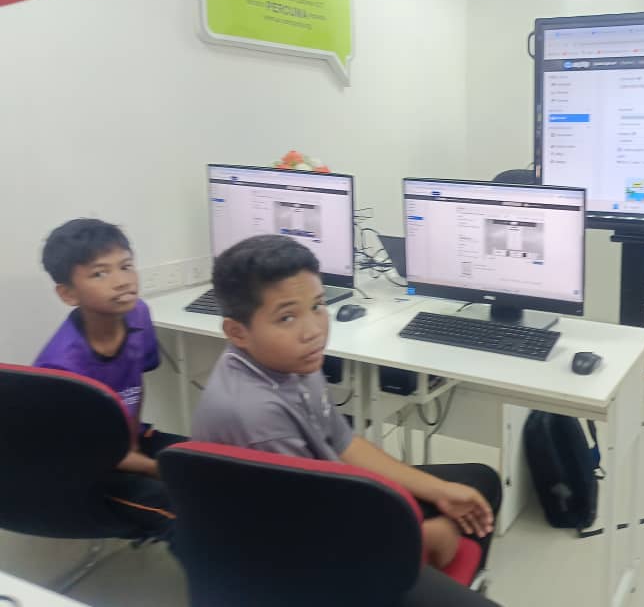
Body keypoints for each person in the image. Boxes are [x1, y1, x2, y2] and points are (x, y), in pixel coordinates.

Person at [192, 234, 502, 606]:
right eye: (287, 317)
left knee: (478, 483)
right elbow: (312, 537)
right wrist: (421, 538)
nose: (313, 330)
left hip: (324, 505)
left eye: (317, 306)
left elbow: (343, 442)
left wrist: (438, 492)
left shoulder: (290, 360)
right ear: (237, 332)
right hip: (297, 565)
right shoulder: (256, 418)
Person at [35, 219, 184, 538]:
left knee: (212, 462)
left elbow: (135, 384)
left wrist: (134, 443)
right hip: (84, 469)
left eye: (126, 266)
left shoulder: (138, 313)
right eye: (100, 274)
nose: (122, 281)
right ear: (68, 293)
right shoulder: (62, 368)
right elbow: (85, 450)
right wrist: (157, 469)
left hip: (123, 442)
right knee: (181, 511)